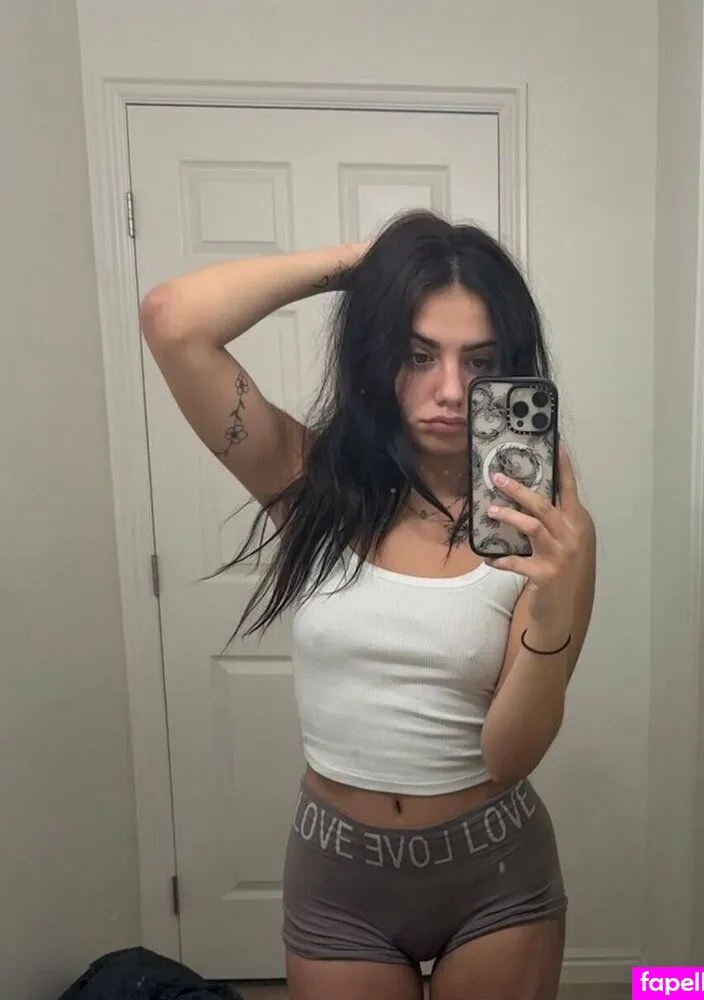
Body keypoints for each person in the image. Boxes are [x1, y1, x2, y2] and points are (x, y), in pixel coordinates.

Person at [139, 210, 597, 1000]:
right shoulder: (307, 483)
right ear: (377, 352)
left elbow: (509, 757)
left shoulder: (546, 534)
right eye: (417, 354)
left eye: (479, 360)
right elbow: (172, 319)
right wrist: (369, 266)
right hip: (337, 877)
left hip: (494, 872)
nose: (448, 389)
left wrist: (553, 606)